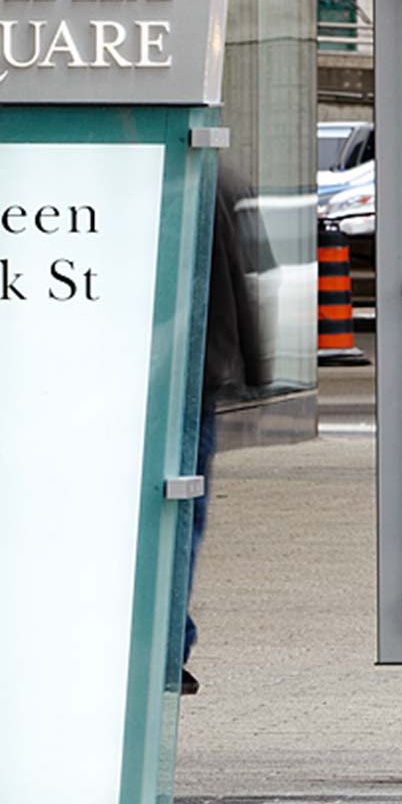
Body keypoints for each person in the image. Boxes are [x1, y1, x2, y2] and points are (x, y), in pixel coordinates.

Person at [180, 166, 267, 695]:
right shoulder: (213, 179)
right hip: (198, 380)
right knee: (185, 516)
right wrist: (255, 368)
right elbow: (242, 280)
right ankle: (169, 643)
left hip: (186, 379)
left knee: (181, 517)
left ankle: (165, 641)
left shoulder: (202, 180)